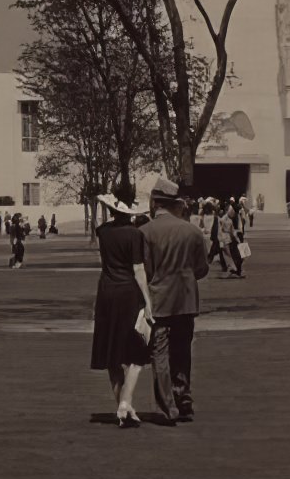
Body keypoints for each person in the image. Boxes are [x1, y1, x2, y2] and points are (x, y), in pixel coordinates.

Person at [140, 177, 210, 423]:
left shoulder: (145, 233)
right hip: (187, 300)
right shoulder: (192, 231)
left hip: (159, 301)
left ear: (155, 202)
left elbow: (144, 271)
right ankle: (184, 396)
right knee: (182, 351)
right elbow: (202, 269)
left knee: (159, 353)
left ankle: (167, 404)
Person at [90, 194, 153, 427]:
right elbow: (138, 269)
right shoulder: (135, 234)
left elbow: (104, 232)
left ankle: (122, 406)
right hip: (128, 292)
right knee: (137, 351)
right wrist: (148, 301)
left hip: (106, 291)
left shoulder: (103, 232)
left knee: (111, 353)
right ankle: (125, 402)